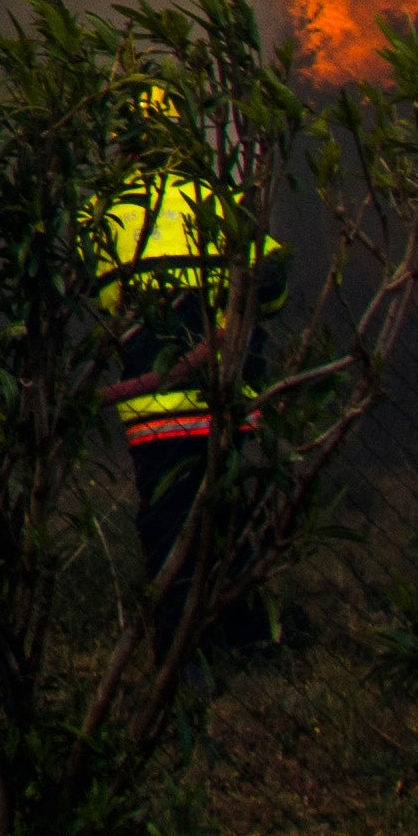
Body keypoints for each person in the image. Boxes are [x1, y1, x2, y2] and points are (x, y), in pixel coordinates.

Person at [99, 109, 284, 673]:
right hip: (226, 401)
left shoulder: (103, 214)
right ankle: (248, 647)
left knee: (168, 531)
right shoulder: (216, 197)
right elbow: (271, 277)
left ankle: (184, 666)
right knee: (228, 520)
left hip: (156, 413)